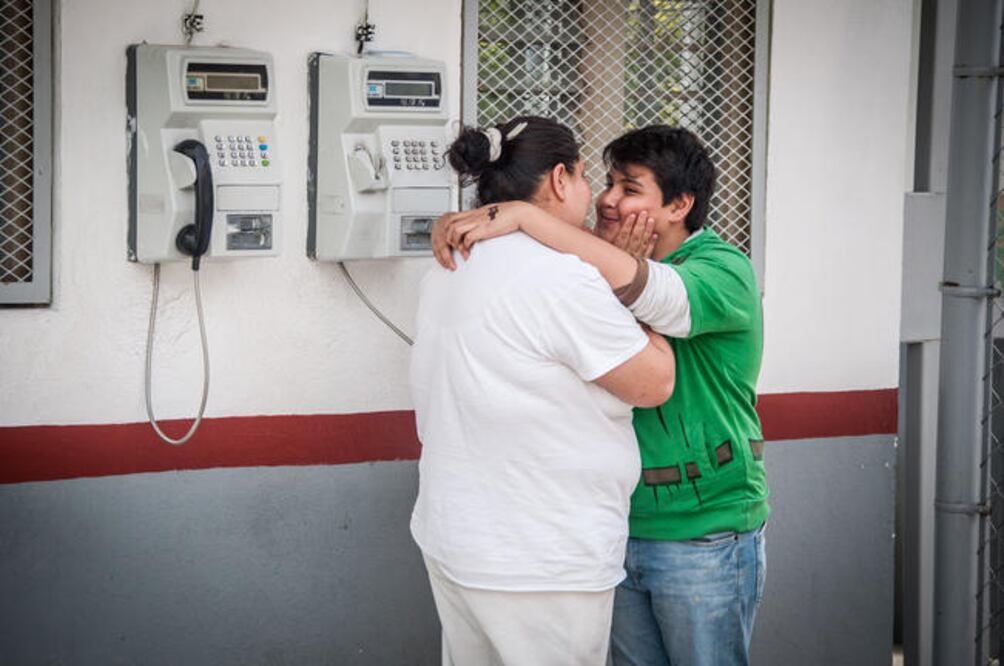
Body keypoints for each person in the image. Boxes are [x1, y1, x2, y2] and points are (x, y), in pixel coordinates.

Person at [433, 125, 768, 666]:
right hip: (619, 528)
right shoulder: (590, 265)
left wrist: (524, 215)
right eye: (607, 182)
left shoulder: (723, 269)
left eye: (630, 189)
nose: (609, 200)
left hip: (701, 531)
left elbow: (657, 298)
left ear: (681, 204)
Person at [409, 116, 677, 666]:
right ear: (559, 179)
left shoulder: (451, 262)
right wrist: (629, 276)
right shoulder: (562, 278)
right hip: (539, 556)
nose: (595, 197)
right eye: (585, 178)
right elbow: (655, 382)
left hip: (457, 541)